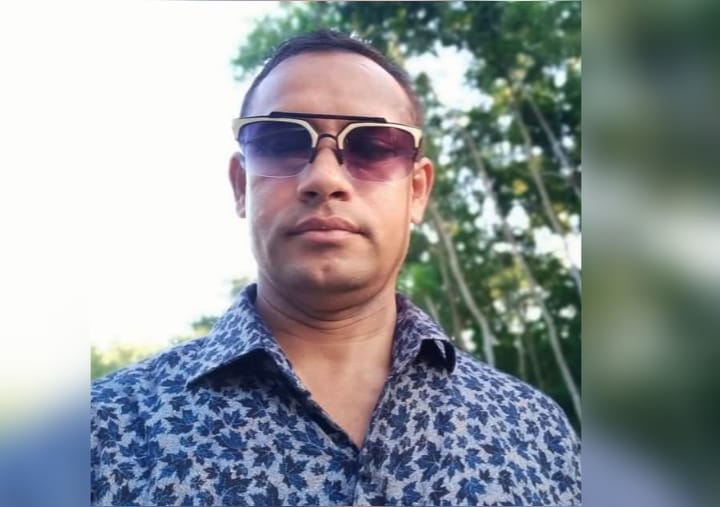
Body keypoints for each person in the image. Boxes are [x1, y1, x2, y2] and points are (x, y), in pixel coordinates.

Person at [91, 29, 581, 506]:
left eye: (373, 147)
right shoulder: (101, 432)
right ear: (241, 185)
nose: (324, 178)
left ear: (417, 191)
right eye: (282, 141)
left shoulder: (537, 433)